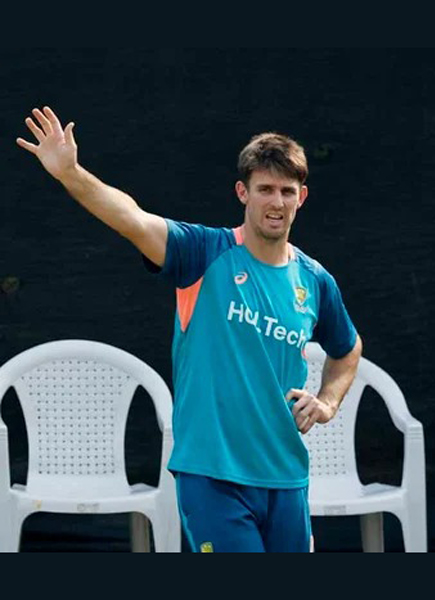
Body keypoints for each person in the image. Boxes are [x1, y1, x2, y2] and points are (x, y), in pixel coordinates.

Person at [16, 106, 363, 552]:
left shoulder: (314, 280)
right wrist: (71, 172)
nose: (276, 202)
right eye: (265, 190)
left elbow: (348, 348)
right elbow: (133, 218)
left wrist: (329, 401)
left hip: (287, 477)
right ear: (243, 192)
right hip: (212, 475)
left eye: (286, 191)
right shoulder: (203, 253)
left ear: (302, 197)